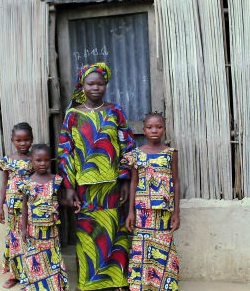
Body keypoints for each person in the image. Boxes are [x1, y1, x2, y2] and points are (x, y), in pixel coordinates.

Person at [58, 62, 135, 290]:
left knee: (114, 232)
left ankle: (117, 280)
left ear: (106, 85)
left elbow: (127, 146)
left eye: (100, 84)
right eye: (91, 83)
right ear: (82, 84)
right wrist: (69, 187)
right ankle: (90, 283)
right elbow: (65, 151)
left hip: (111, 185)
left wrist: (124, 179)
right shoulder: (73, 115)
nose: (96, 88)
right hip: (84, 187)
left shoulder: (115, 111)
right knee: (89, 234)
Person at [123, 112, 180, 291]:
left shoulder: (170, 153)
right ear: (144, 130)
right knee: (142, 247)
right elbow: (133, 181)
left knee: (163, 247)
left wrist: (177, 213)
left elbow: (176, 182)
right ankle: (143, 285)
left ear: (164, 129)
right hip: (142, 212)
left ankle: (163, 285)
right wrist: (131, 212)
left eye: (158, 127)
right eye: (150, 127)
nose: (154, 130)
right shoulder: (136, 155)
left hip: (163, 212)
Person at [19, 144, 69, 291]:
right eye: (38, 160)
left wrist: (71, 203)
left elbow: (58, 202)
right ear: (32, 161)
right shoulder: (27, 183)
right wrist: (23, 229)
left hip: (51, 230)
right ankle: (34, 285)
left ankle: (53, 285)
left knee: (52, 256)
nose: (42, 163)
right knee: (34, 257)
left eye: (46, 160)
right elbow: (24, 207)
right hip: (33, 230)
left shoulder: (56, 180)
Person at [0, 122, 34, 289]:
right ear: (12, 140)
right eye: (18, 140)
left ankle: (28, 276)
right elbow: (4, 184)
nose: (22, 143)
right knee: (13, 241)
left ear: (32, 140)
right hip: (11, 209)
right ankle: (14, 275)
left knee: (28, 240)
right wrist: (0, 208)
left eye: (26, 140)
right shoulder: (7, 160)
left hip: (30, 208)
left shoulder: (35, 159)